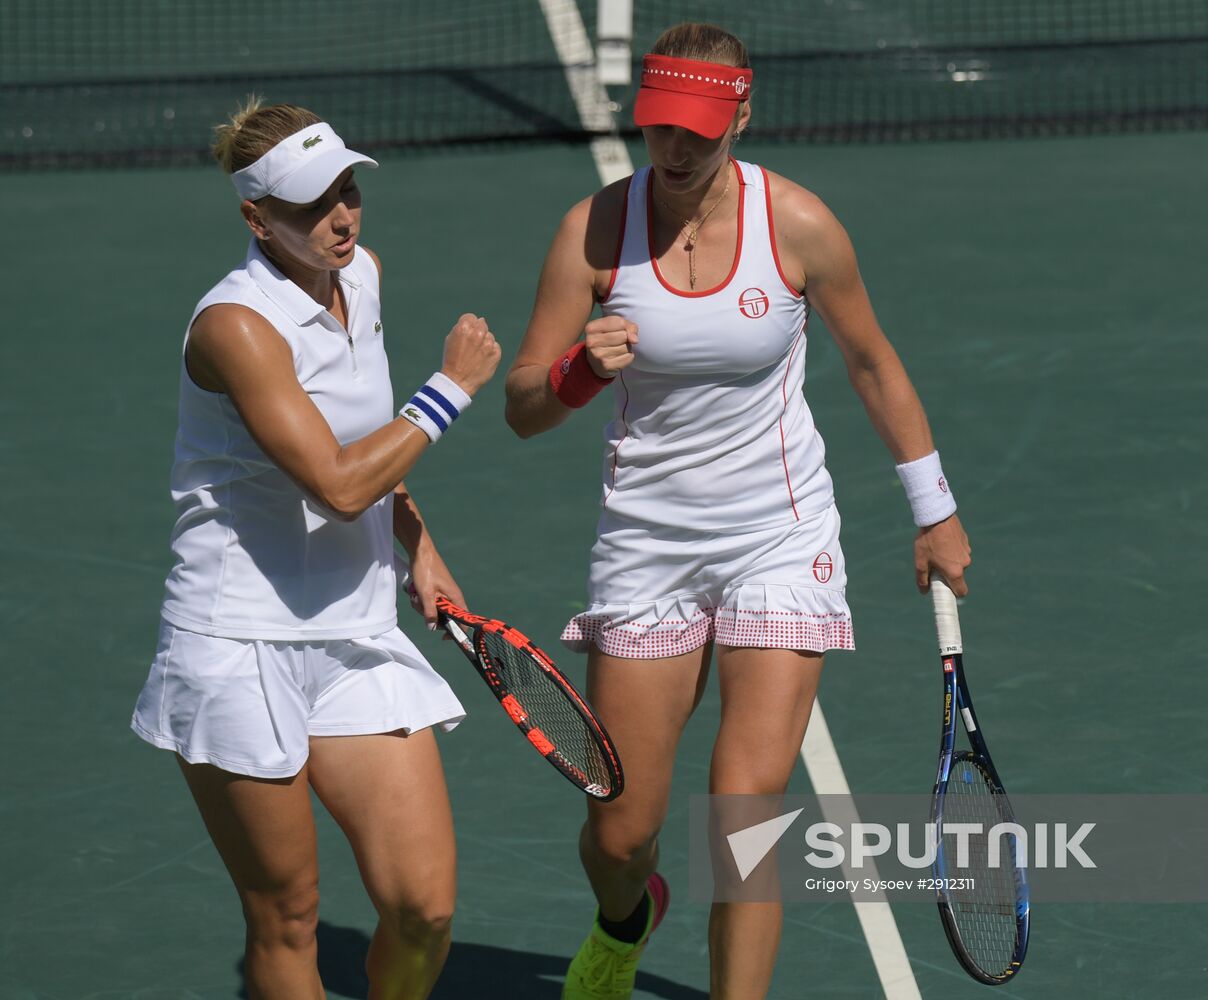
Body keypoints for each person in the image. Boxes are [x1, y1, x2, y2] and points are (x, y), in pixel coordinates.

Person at [504, 22, 972, 1000]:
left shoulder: (796, 225)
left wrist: (934, 509)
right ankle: (627, 916)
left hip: (778, 534)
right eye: (658, 129)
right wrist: (581, 371)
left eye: (697, 132)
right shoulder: (591, 231)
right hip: (649, 546)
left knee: (746, 815)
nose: (673, 151)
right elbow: (522, 408)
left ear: (742, 115)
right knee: (619, 831)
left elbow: (872, 362)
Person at [130, 99, 501, 999]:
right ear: (256, 218)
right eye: (309, 207)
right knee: (288, 916)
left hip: (352, 635)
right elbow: (336, 482)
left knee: (423, 907)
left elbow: (369, 444)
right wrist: (449, 388)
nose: (339, 219)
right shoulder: (235, 328)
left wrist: (418, 546)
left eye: (346, 193)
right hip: (238, 645)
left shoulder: (361, 277)